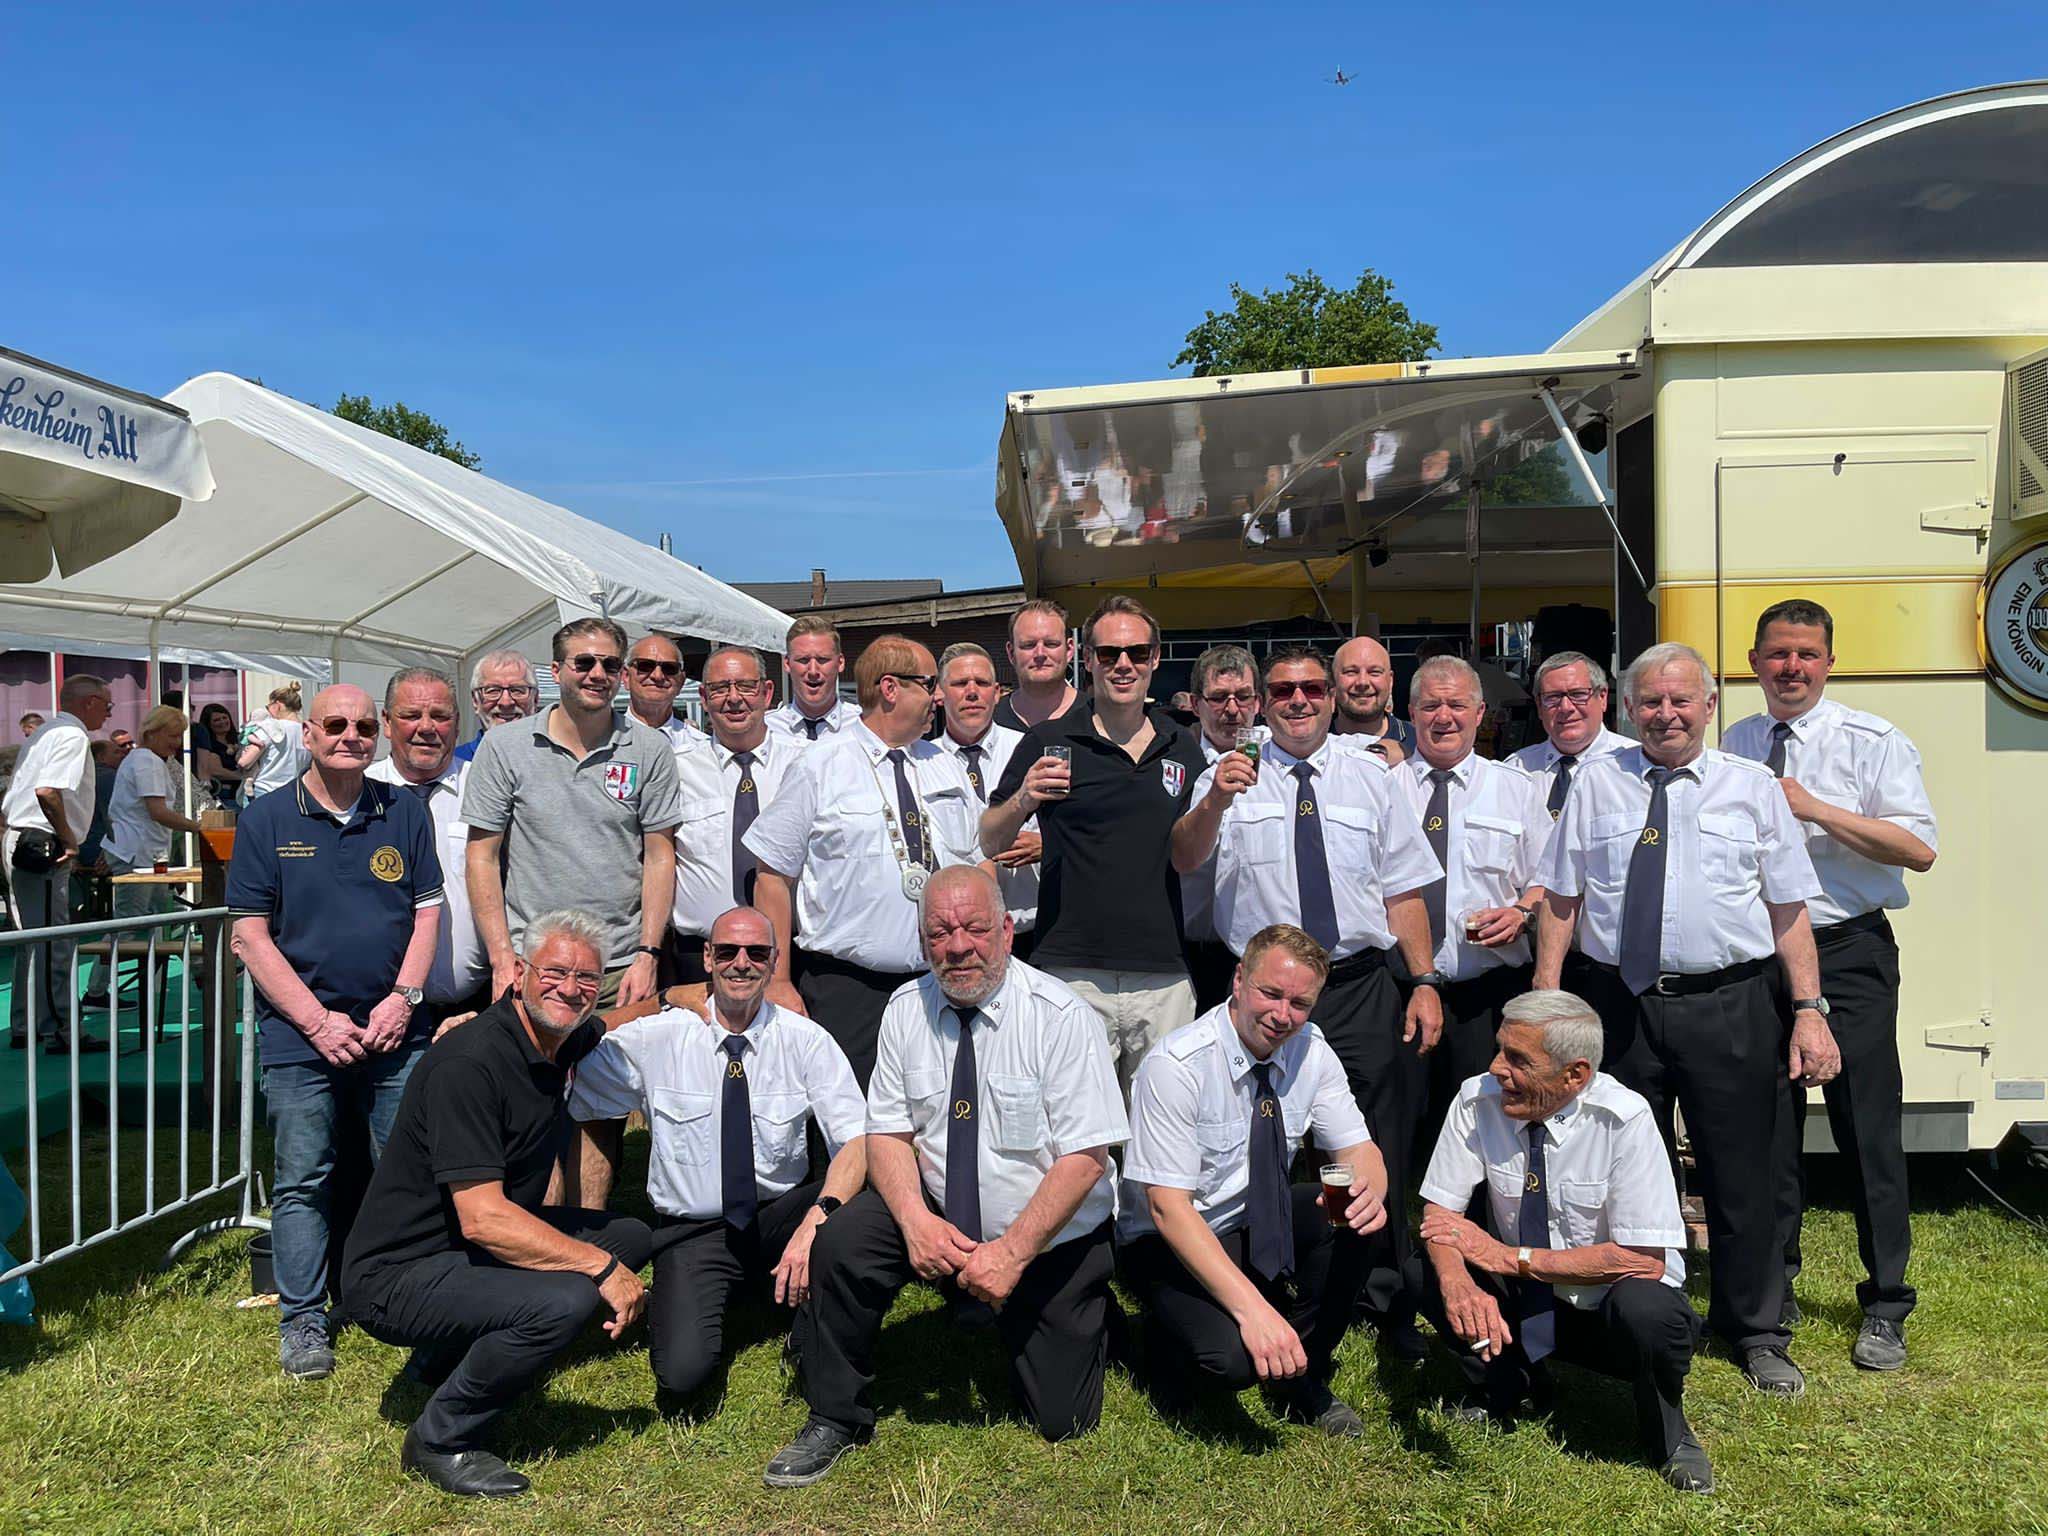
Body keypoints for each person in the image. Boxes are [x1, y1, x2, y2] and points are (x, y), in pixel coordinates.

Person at [1533, 641, 1837, 1397]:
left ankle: (1755, 1330)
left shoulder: (1752, 787)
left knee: (1743, 1175)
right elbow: (1562, 900)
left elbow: (1788, 908)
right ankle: (1646, 1313)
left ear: (1708, 707)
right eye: (1651, 702)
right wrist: (1545, 1000)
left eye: (1680, 700)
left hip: (1728, 1003)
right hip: (1618, 1005)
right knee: (1626, 1170)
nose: (1665, 714)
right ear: (1629, 709)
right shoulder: (1596, 785)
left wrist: (1808, 1009)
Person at [764, 867, 1127, 1488]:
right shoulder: (906, 1010)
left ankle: (1087, 1314)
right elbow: (888, 1135)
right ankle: (834, 1413)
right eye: (940, 932)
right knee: (844, 1243)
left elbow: (1085, 1159)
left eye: (975, 928)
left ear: (1007, 932)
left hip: (1044, 1235)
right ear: (924, 939)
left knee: (1064, 1418)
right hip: (938, 1210)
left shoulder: (1062, 1016)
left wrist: (1011, 1255)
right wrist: (914, 1224)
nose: (958, 946)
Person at [1170, 643, 1442, 1332]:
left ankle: (1378, 1292)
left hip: (1355, 984)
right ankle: (1280, 1274)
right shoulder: (1227, 773)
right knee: (1268, 1134)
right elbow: (1183, 858)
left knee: (1372, 1138)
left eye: (1313, 689)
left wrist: (1424, 979)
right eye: (1284, 689)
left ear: (1332, 697)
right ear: (1262, 699)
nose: (1300, 701)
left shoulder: (1372, 775)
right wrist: (1216, 800)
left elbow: (1402, 887)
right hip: (1263, 994)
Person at [341, 910, 654, 1499]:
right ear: (518, 973)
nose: (570, 988)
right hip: (398, 1273)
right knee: (566, 1297)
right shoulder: (471, 1063)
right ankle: (440, 1437)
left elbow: (619, 1016)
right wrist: (599, 1268)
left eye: (586, 978)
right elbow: (483, 1217)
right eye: (556, 971)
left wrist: (704, 995)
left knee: (629, 1234)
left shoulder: (556, 1034)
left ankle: (450, 1351)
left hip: (462, 1250)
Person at [1725, 599, 1937, 1371]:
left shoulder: (1871, 741)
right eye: (1778, 654)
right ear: (1755, 662)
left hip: (1848, 952)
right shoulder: (1740, 741)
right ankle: (1773, 1289)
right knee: (1771, 1131)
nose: (1792, 668)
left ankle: (1885, 1303)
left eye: (1807, 654)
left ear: (1829, 661)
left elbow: (1917, 849)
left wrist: (1815, 808)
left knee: (1866, 1128)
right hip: (1765, 957)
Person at [569, 905, 867, 1413]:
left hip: (780, 1217)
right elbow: (569, 1053)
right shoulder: (659, 1037)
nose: (741, 963)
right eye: (727, 951)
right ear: (706, 957)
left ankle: (807, 1324)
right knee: (682, 1377)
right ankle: (750, 1294)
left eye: (756, 953)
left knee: (857, 1218)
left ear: (774, 963)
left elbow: (857, 1140)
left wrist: (818, 1219)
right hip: (693, 1231)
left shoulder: (804, 1039)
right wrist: (657, 1000)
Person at [227, 683, 443, 1381]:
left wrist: (403, 1000)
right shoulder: (264, 818)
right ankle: (303, 1322)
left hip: (392, 1031)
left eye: (361, 726)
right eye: (335, 725)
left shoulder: (403, 809)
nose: (349, 736)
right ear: (309, 734)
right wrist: (318, 1023)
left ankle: (413, 1302)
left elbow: (427, 915)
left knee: (407, 1172)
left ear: (377, 735)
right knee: (302, 1179)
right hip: (299, 1036)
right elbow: (250, 937)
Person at [1413, 991, 1711, 1494]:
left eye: (1517, 1059)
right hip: (1525, 1297)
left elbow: (1642, 1258)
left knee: (1649, 1311)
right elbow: (1440, 1213)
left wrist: (1510, 1258)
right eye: (1499, 1049)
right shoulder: (1476, 1098)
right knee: (1425, 1267)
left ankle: (1669, 1434)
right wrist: (1458, 1281)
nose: (1496, 1067)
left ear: (1575, 1074)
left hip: (1606, 1308)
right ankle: (1506, 1388)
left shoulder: (1625, 1117)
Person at [1122, 923, 1388, 1434]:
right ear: (1239, 980)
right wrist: (1254, 1314)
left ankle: (1300, 1369)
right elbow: (1167, 1209)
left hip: (1255, 1218)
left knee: (1356, 1220)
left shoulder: (1311, 1048)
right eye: (1271, 993)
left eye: (1300, 1003)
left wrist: (1367, 1192)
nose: (1282, 1016)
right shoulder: (1177, 1066)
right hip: (1170, 1240)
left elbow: (1359, 1149)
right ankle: (1160, 1342)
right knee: (1233, 1362)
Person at [982, 596, 1208, 1095]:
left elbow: (1189, 856)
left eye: (1135, 653)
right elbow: (990, 839)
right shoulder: (1048, 741)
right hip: (1072, 970)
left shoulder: (1182, 746)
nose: (1122, 665)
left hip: (1162, 975)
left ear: (1154, 659)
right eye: (1108, 654)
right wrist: (1022, 798)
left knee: (1165, 1131)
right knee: (1077, 1135)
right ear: (1087, 660)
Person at [743, 634, 983, 1087]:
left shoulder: (944, 764)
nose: (938, 696)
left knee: (939, 1115)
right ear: (890, 688)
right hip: (846, 989)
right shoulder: (820, 764)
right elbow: (772, 875)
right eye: (929, 683)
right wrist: (777, 981)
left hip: (938, 979)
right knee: (850, 1125)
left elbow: (977, 859)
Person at [462, 616, 682, 1009]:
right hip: (533, 967)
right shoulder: (503, 746)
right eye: (584, 663)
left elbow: (660, 855)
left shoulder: (650, 749)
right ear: (556, 670)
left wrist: (648, 953)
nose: (598, 674)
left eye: (610, 665)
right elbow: (482, 856)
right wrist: (500, 957)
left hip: (618, 968)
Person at [1384, 657, 1552, 1135]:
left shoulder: (1516, 790)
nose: (1444, 717)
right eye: (1431, 705)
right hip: (1398, 990)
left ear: (1480, 714)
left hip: (1486, 995)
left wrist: (1522, 912)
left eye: (1457, 704)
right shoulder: (1379, 789)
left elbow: (1548, 881)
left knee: (1490, 1130)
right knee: (1398, 1128)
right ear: (1410, 711)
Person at [367, 669, 491, 1019]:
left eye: (440, 716)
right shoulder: (358, 792)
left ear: (456, 722)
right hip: (380, 1008)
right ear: (388, 723)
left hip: (477, 1005)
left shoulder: (486, 787)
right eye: (411, 716)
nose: (426, 727)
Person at [663, 645, 790, 986]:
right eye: (720, 689)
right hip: (698, 957)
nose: (734, 699)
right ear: (703, 697)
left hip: (790, 956)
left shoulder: (804, 765)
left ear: (766, 692)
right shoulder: (676, 768)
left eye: (746, 686)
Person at [4, 675, 113, 1051]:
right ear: (89, 702)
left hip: (25, 838)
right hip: (42, 842)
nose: (110, 712)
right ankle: (60, 1028)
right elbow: (47, 790)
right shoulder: (71, 735)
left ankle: (28, 1023)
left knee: (33, 940)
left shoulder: (44, 732)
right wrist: (68, 837)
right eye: (107, 704)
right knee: (54, 941)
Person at [81, 707, 206, 1003]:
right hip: (138, 856)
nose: (176, 742)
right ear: (153, 733)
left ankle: (196, 970)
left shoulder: (143, 760)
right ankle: (96, 991)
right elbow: (158, 811)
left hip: (140, 853)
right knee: (131, 922)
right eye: (173, 735)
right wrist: (200, 829)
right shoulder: (147, 762)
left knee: (154, 918)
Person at [931, 642, 1038, 954]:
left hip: (1032, 932)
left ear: (997, 692)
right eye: (960, 683)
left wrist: (1046, 844)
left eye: (981, 682)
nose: (972, 692)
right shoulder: (922, 761)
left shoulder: (1030, 749)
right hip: (960, 941)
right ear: (940, 694)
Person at [1181, 645, 1260, 1012]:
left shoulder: (1280, 757)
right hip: (1190, 950)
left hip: (1257, 953)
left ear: (1257, 702)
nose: (1232, 709)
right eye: (1218, 698)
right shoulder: (1175, 759)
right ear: (1196, 704)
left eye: (1242, 696)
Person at [1508, 651, 1628, 818]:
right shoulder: (1516, 770)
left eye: (1578, 694)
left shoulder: (1635, 765)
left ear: (1602, 698)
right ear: (1539, 706)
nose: (1566, 707)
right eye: (1552, 697)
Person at [766, 616, 861, 743]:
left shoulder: (864, 725)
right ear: (787, 664)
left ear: (840, 663)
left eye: (822, 659)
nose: (813, 671)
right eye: (803, 660)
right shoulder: (766, 730)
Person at [992, 599, 1081, 731]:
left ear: (1069, 650)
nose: (1040, 654)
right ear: (1011, 653)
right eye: (1029, 645)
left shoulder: (1099, 717)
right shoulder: (991, 722)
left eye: (1051, 644)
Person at [1331, 636, 1414, 760]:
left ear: (1390, 681)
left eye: (1374, 672)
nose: (1363, 682)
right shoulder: (1311, 743)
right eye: (1351, 672)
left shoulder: (1419, 742)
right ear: (1333, 680)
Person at [453, 650, 541, 766]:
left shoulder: (555, 762)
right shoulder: (455, 764)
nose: (506, 702)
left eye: (517, 690)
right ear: (475, 701)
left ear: (535, 700)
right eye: (493, 691)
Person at [625, 632, 706, 751]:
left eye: (669, 668)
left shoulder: (702, 748)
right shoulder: (597, 741)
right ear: (626, 676)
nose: (657, 676)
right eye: (645, 666)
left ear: (681, 682)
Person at [235, 683, 308, 805]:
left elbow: (245, 762)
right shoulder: (307, 732)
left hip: (264, 792)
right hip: (295, 795)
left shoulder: (270, 726)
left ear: (277, 705)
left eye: (268, 706)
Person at [193, 702, 248, 802]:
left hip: (246, 792)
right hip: (225, 796)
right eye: (217, 720)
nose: (222, 722)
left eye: (224, 717)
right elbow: (215, 771)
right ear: (208, 724)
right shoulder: (208, 745)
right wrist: (243, 777)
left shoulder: (240, 738)